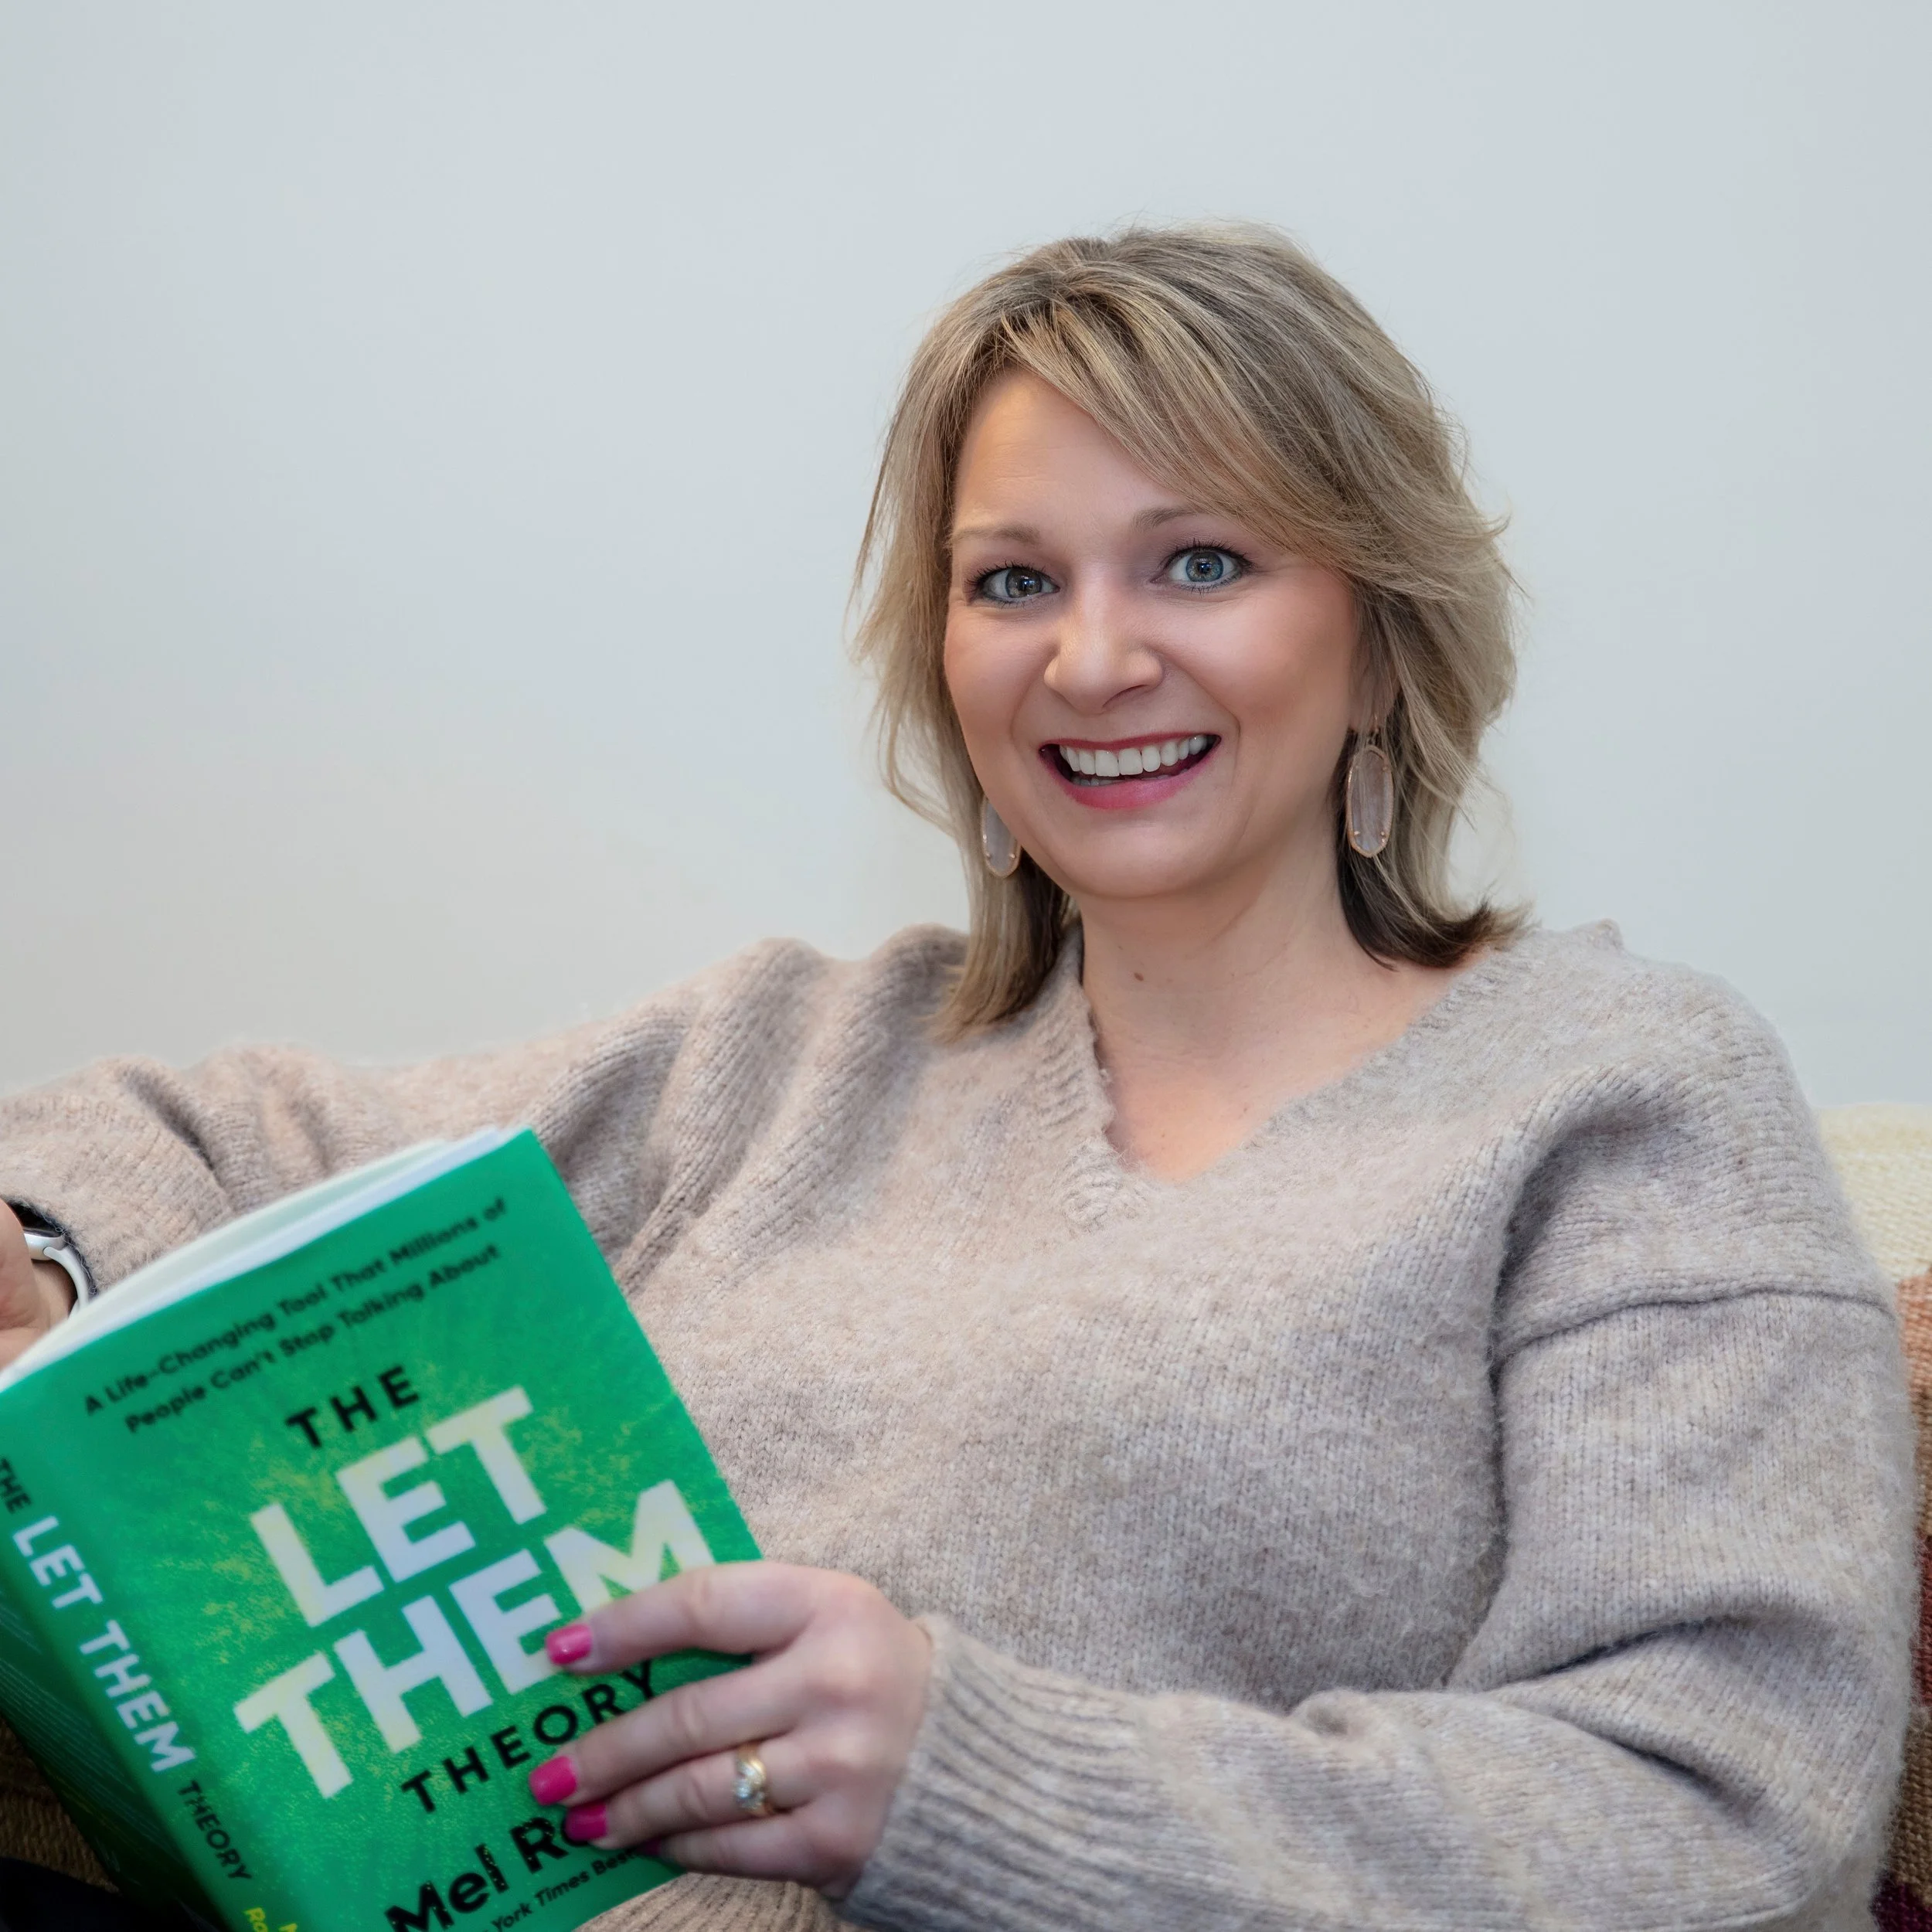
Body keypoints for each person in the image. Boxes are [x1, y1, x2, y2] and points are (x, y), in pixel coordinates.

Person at [0, 224, 1913, 1932]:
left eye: (1199, 560)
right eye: (1011, 581)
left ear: (1383, 645)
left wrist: (966, 1779)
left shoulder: (1619, 1101)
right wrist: (46, 1250)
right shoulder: (786, 1055)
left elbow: (1729, 1822)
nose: (1090, 658)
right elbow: (208, 1141)